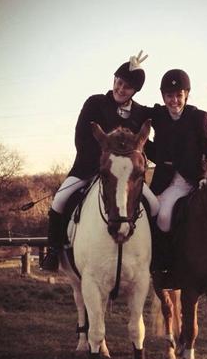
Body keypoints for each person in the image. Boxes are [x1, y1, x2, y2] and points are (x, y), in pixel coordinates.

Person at [40, 52, 160, 271]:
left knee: (154, 205)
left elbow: (145, 143)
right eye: (118, 82)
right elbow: (81, 137)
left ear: (134, 91)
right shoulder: (95, 103)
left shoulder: (140, 112)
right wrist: (103, 166)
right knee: (59, 200)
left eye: (127, 87)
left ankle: (156, 256)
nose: (120, 89)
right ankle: (54, 250)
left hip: (124, 177)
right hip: (89, 169)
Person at [145, 69, 207, 273]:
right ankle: (161, 264)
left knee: (167, 216)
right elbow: (135, 112)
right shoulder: (158, 115)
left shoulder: (199, 117)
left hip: (194, 180)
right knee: (155, 215)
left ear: (187, 94)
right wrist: (142, 144)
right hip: (166, 183)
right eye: (169, 96)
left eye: (179, 95)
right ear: (163, 96)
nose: (174, 100)